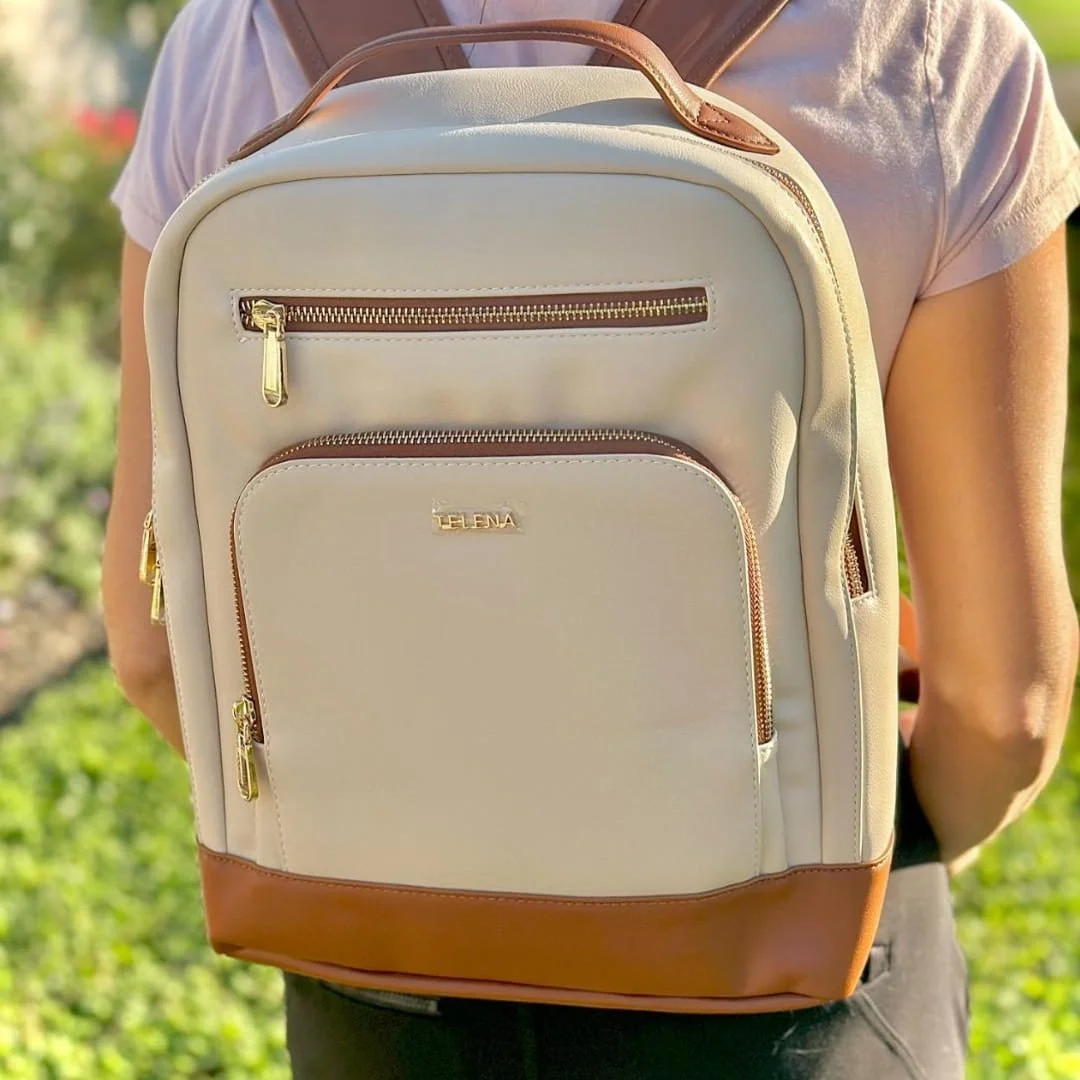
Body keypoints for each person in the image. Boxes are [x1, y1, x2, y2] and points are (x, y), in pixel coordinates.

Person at [103, 0, 1080, 1076]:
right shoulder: (926, 42)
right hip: (787, 975)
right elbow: (1005, 700)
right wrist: (864, 851)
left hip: (379, 979)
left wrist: (377, 832)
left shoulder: (225, 43)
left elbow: (151, 648)